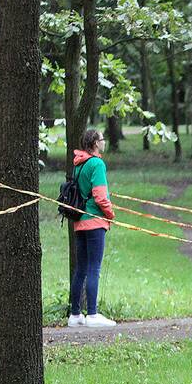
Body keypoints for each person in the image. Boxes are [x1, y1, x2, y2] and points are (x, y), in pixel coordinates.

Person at [68, 129, 117, 328]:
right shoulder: (97, 163)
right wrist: (110, 214)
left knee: (80, 269)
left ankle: (75, 314)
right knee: (94, 268)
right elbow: (99, 195)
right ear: (96, 143)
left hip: (79, 222)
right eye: (102, 139)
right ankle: (93, 314)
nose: (104, 142)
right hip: (95, 222)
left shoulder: (78, 165)